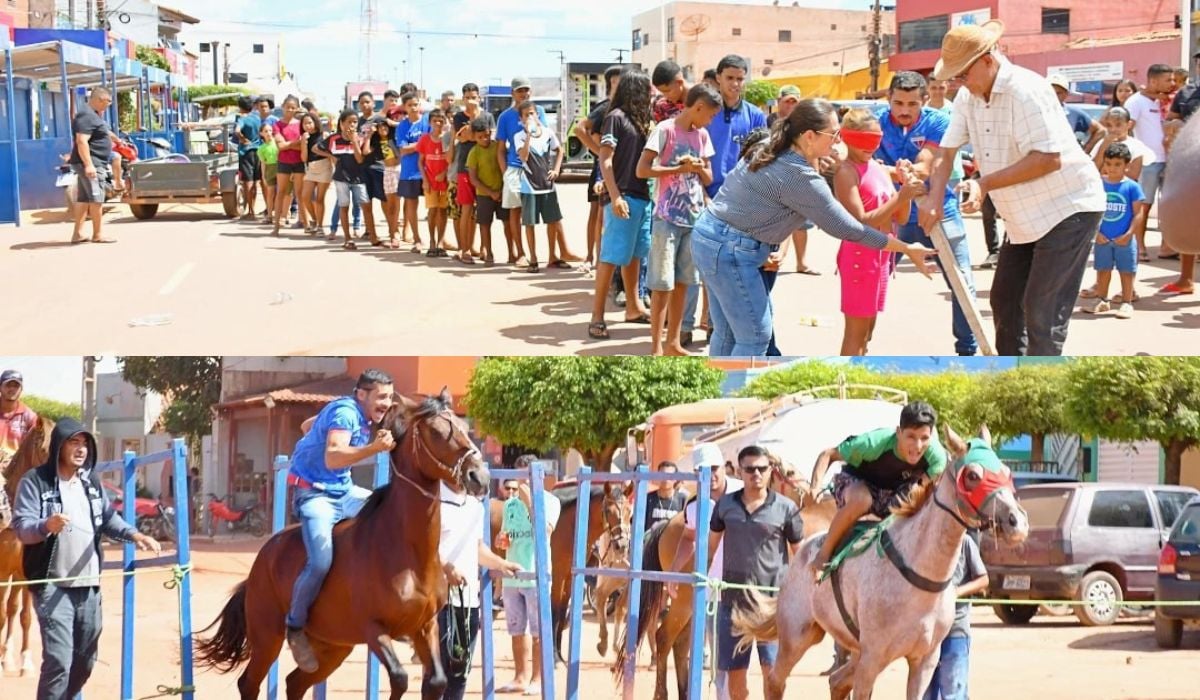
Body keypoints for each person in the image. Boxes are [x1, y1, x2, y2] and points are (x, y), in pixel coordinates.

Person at [691, 98, 937, 356]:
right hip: (731, 249)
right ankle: (736, 392)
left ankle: (723, 388)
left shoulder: (774, 144)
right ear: (809, 136)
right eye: (833, 135)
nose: (838, 141)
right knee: (755, 336)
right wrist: (907, 248)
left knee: (729, 332)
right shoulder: (801, 177)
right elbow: (851, 229)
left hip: (711, 237)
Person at [923, 20, 1105, 356]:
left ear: (988, 61)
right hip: (1023, 218)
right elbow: (946, 151)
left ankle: (1043, 393)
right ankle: (1012, 377)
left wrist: (985, 183)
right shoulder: (968, 96)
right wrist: (934, 200)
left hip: (1068, 208)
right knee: (1005, 302)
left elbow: (1047, 159)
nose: (959, 84)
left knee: (1042, 313)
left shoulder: (1026, 89)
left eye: (963, 74)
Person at [12, 418, 161, 699]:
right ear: (59, 446)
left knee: (85, 662)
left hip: (89, 586)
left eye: (85, 444)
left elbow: (108, 519)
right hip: (51, 586)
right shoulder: (35, 481)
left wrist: (134, 535)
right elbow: (22, 528)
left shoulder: (91, 483)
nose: (81, 449)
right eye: (74, 442)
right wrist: (46, 526)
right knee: (58, 661)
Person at [283, 370, 396, 672]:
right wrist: (374, 448)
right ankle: (295, 626)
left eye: (390, 396)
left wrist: (317, 432)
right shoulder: (347, 413)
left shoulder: (353, 414)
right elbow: (334, 458)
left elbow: (308, 425)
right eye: (382, 396)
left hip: (343, 491)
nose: (387, 402)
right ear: (362, 395)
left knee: (387, 518)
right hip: (315, 497)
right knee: (320, 562)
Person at [876, 71, 978, 356]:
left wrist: (900, 171)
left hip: (938, 210)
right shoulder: (876, 122)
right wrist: (897, 173)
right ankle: (859, 343)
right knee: (871, 276)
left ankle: (967, 350)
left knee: (962, 282)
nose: (904, 110)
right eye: (898, 103)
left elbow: (928, 165)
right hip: (893, 211)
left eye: (912, 104)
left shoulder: (939, 121)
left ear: (924, 100)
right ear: (888, 100)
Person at [809, 401, 947, 576]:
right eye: (911, 436)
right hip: (857, 483)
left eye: (924, 438)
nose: (918, 446)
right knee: (863, 500)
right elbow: (828, 454)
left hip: (893, 493)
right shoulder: (873, 443)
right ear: (899, 433)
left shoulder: (937, 458)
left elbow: (919, 487)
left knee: (922, 499)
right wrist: (814, 486)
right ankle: (824, 553)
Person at [709, 445, 804, 700]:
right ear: (740, 472)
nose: (756, 474)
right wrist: (700, 581)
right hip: (733, 605)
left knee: (773, 674)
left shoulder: (786, 509)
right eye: (750, 469)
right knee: (735, 677)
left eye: (762, 468)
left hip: (772, 607)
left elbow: (800, 554)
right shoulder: (725, 505)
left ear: (771, 471)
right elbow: (709, 550)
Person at [833, 109, 927, 356]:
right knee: (856, 333)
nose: (870, 147)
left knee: (868, 332)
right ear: (848, 138)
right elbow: (861, 223)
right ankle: (848, 382)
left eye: (876, 140)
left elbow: (902, 217)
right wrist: (901, 195)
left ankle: (858, 377)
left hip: (882, 254)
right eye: (864, 140)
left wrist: (905, 189)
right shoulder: (846, 172)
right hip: (859, 256)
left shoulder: (877, 167)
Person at [636, 83, 719, 355]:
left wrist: (697, 168)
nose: (710, 121)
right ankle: (656, 346)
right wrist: (677, 168)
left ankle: (673, 343)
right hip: (666, 217)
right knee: (662, 284)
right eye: (709, 115)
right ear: (698, 107)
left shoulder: (702, 136)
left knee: (684, 281)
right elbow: (643, 169)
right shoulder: (665, 130)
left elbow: (708, 177)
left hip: (693, 219)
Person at [438, 459, 522, 700]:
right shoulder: (435, 503)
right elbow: (424, 549)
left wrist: (502, 563)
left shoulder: (475, 507)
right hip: (439, 602)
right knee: (438, 673)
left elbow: (477, 548)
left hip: (467, 603)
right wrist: (446, 568)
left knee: (460, 672)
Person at [666, 443, 743, 691]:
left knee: (766, 660)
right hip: (716, 590)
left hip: (750, 587)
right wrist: (674, 572)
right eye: (703, 470)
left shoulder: (745, 492)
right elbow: (689, 538)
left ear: (724, 468)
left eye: (714, 468)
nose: (710, 475)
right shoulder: (694, 505)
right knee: (721, 661)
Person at [587, 68, 655, 340]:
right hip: (623, 196)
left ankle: (634, 307)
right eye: (646, 91)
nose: (649, 96)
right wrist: (614, 196)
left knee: (636, 255)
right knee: (611, 257)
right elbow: (605, 159)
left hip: (642, 197)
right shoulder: (615, 118)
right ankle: (597, 316)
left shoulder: (643, 120)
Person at [495, 456, 561, 696]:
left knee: (537, 631)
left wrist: (529, 499)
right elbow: (505, 536)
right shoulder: (510, 505)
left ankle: (537, 678)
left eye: (526, 475)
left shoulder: (550, 501)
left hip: (537, 575)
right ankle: (520, 676)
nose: (521, 480)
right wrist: (502, 541)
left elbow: (544, 532)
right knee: (515, 628)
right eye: (519, 474)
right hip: (512, 574)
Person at [1080, 143, 1146, 320]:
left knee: (1126, 271)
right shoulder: (1098, 185)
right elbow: (1091, 209)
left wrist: (1129, 234)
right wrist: (1096, 233)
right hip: (1103, 238)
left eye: (1117, 164)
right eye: (1108, 163)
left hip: (1124, 238)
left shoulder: (1132, 187)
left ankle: (1126, 302)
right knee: (1102, 269)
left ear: (1127, 165)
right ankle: (1102, 299)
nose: (1112, 168)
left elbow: (1138, 213)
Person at [922, 533, 988, 700]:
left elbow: (983, 579)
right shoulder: (925, 541)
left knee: (954, 692)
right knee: (926, 693)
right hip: (927, 635)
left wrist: (957, 592)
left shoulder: (965, 542)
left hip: (955, 632)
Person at [575, 66, 625, 272]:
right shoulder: (605, 108)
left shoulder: (632, 107)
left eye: (621, 81)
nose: (619, 85)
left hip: (623, 168)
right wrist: (599, 153)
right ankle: (593, 258)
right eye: (614, 82)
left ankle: (604, 263)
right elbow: (581, 129)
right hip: (603, 169)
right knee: (598, 213)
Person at [513, 101, 570, 273]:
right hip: (529, 186)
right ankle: (533, 258)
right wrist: (528, 135)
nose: (530, 117)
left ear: (537, 115)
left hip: (547, 185)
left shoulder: (548, 133)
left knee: (552, 221)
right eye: (526, 115)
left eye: (532, 113)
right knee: (529, 223)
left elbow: (560, 150)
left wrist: (556, 169)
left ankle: (553, 256)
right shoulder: (519, 137)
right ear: (521, 119)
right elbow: (523, 156)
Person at [1123, 65, 1173, 259]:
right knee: (1144, 205)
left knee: (1169, 205)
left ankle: (1167, 247)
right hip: (1148, 162)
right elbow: (1127, 129)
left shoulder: (1166, 101)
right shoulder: (1135, 102)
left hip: (1169, 161)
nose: (1171, 83)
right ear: (1153, 80)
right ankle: (1139, 247)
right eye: (1167, 80)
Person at [497, 77, 548, 267]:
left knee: (547, 213)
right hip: (515, 168)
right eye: (520, 90)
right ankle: (520, 253)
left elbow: (545, 138)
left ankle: (553, 254)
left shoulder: (539, 112)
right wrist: (505, 173)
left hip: (536, 169)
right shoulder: (505, 117)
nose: (524, 93)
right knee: (515, 211)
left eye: (526, 90)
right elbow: (500, 149)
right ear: (512, 93)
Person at [706, 55, 768, 200]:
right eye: (730, 78)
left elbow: (761, 157)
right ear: (718, 78)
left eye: (739, 79)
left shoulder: (755, 115)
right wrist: (702, 195)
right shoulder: (705, 112)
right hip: (708, 196)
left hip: (742, 196)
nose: (735, 84)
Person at [315, 110, 369, 250]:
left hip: (358, 178)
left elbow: (359, 158)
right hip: (341, 178)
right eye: (349, 122)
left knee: (363, 204)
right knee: (343, 206)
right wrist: (330, 156)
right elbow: (316, 148)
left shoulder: (360, 138)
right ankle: (347, 237)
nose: (352, 125)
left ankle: (361, 229)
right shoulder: (334, 139)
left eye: (355, 122)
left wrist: (354, 141)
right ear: (342, 123)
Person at [451, 83, 493, 264]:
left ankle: (483, 247)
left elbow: (489, 136)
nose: (470, 100)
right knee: (466, 209)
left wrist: (474, 131)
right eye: (467, 97)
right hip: (465, 168)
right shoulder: (459, 117)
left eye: (473, 97)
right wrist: (473, 133)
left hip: (485, 169)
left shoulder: (488, 116)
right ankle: (464, 249)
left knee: (482, 211)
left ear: (479, 98)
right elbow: (462, 137)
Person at [69, 87, 115, 245]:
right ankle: (98, 234)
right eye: (107, 103)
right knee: (96, 199)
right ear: (100, 99)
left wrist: (115, 140)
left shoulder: (92, 115)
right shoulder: (87, 116)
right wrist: (89, 165)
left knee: (84, 199)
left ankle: (78, 234)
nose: (107, 106)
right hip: (91, 163)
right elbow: (81, 141)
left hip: (90, 162)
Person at [467, 117, 505, 266]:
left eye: (487, 135)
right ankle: (488, 252)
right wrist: (490, 192)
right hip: (484, 195)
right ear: (474, 137)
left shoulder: (497, 147)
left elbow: (504, 169)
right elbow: (474, 179)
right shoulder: (474, 153)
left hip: (502, 192)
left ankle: (512, 252)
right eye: (480, 137)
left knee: (507, 222)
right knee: (484, 224)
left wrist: (502, 189)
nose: (484, 139)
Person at [396, 91, 431, 252]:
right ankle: (416, 238)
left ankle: (437, 239)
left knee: (435, 206)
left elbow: (435, 141)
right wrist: (423, 143)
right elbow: (403, 149)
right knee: (411, 205)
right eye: (409, 105)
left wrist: (416, 145)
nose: (413, 108)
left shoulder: (427, 122)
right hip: (410, 172)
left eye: (415, 104)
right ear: (405, 107)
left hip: (429, 170)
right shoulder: (402, 126)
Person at [272, 96, 308, 236]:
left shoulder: (300, 124)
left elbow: (303, 146)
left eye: (293, 107)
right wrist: (295, 143)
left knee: (299, 194)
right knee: (280, 193)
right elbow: (280, 146)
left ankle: (305, 224)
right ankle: (276, 226)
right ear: (282, 106)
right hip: (284, 162)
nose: (290, 109)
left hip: (299, 162)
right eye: (288, 106)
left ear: (297, 108)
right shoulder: (277, 125)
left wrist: (288, 144)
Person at [418, 108, 452, 257]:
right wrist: (425, 180)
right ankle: (432, 242)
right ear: (430, 122)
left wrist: (444, 174)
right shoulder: (425, 139)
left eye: (441, 120)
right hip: (430, 182)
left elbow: (451, 160)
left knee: (443, 210)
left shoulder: (447, 138)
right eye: (435, 120)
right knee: (432, 210)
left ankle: (440, 242)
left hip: (444, 181)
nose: (438, 123)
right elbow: (420, 162)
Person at [1047, 74, 1106, 152]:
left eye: (1058, 93)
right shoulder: (1035, 112)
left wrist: (1086, 151)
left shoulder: (1073, 113)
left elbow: (1101, 130)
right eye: (1050, 92)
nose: (1053, 96)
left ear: (1066, 94)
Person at [299, 113, 332, 238]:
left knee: (319, 199)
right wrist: (303, 143)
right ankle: (314, 220)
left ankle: (320, 226)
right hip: (311, 168)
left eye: (310, 122)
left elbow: (330, 153)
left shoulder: (324, 135)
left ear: (315, 123)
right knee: (305, 196)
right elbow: (303, 158)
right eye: (304, 123)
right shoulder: (304, 137)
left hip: (324, 167)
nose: (307, 125)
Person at [371, 120, 401, 247]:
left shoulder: (394, 138)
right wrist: (369, 134)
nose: (383, 128)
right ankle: (392, 232)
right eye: (380, 127)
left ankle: (395, 235)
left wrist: (392, 123)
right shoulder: (377, 143)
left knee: (396, 204)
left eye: (385, 126)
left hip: (398, 169)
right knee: (390, 205)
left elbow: (404, 125)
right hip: (387, 171)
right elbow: (366, 150)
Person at [0, 370, 38, 468]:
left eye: (16, 386)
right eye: (8, 385)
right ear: (0, 387)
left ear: (21, 389)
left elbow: (36, 448)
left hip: (17, 468)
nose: (12, 389)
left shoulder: (30, 417)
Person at [234, 95, 263, 220]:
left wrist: (242, 139)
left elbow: (236, 130)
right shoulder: (258, 118)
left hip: (246, 152)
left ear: (240, 107)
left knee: (248, 182)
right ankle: (253, 210)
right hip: (259, 151)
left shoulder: (242, 118)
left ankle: (250, 211)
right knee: (256, 181)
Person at [644, 461, 687, 532]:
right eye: (662, 475)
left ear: (675, 479)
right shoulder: (648, 498)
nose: (666, 479)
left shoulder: (682, 499)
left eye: (670, 476)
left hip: (673, 541)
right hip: (650, 541)